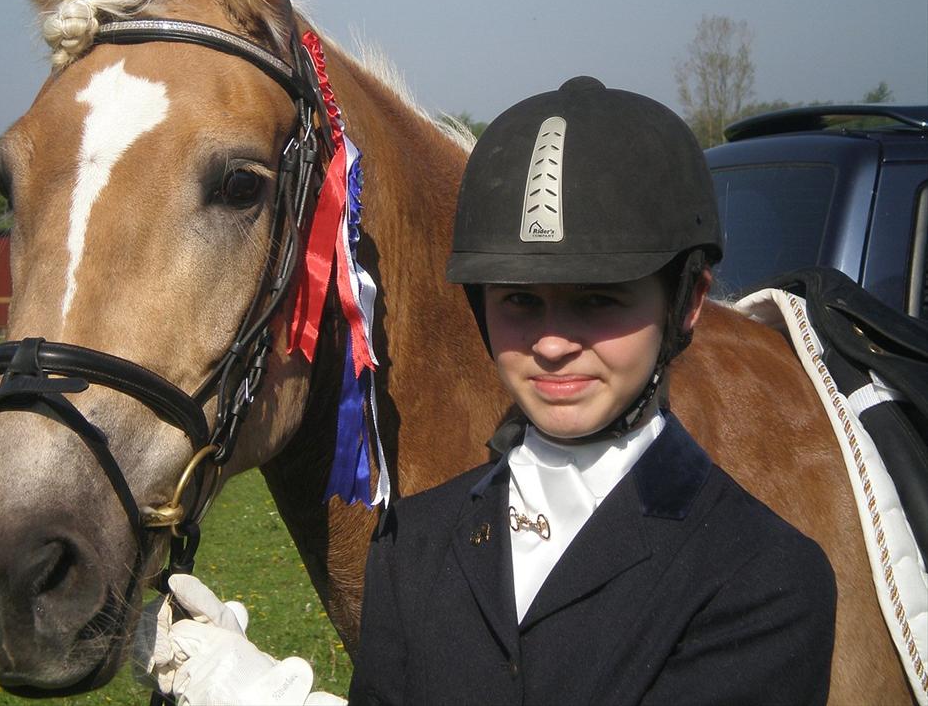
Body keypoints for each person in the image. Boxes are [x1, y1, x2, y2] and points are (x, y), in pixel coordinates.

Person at [138, 77, 837, 705]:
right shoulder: (413, 545)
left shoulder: (769, 578)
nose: (554, 342)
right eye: (521, 302)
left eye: (598, 300)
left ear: (686, 303)